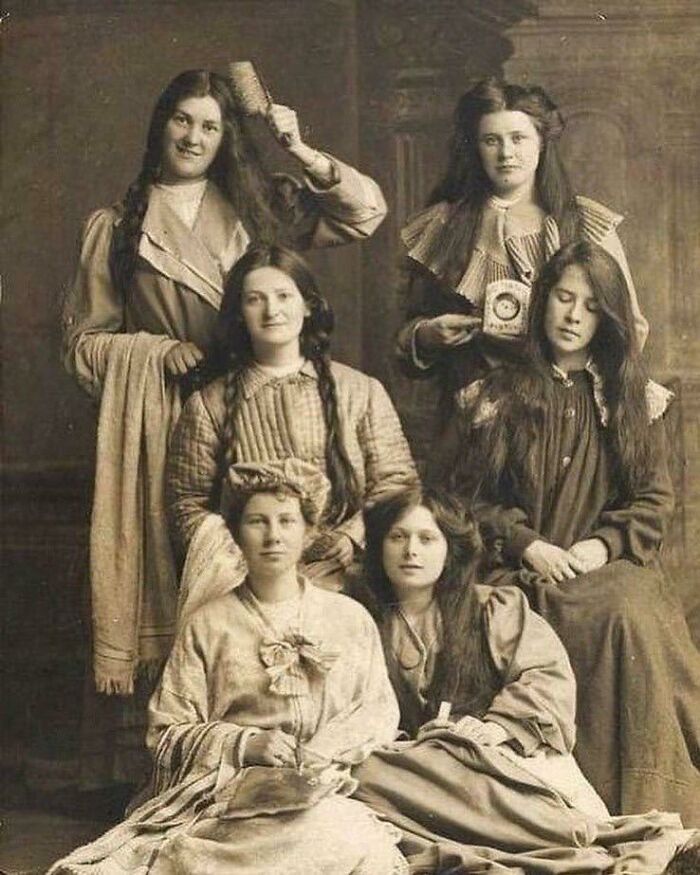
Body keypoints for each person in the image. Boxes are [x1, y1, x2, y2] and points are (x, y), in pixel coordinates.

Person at [62, 69, 387, 786]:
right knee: (174, 579)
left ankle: (284, 749)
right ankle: (166, 770)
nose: (194, 137)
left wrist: (299, 149)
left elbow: (365, 213)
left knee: (268, 575)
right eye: (182, 120)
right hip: (156, 423)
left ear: (225, 135)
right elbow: (84, 350)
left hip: (256, 415)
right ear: (160, 124)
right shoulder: (118, 227)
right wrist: (153, 353)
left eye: (210, 126)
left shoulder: (256, 210)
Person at [48, 460, 405, 874]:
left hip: (328, 786)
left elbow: (377, 710)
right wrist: (245, 743)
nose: (273, 536)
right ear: (235, 535)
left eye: (287, 521)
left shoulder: (349, 618)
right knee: (201, 855)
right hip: (232, 793)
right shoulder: (209, 623)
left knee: (348, 839)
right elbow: (166, 734)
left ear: (308, 532)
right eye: (257, 521)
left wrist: (324, 752)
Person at [448, 240, 700, 825]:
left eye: (590, 307)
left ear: (606, 318)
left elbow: (653, 500)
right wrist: (527, 543)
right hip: (515, 569)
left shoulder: (630, 399)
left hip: (598, 565)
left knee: (625, 607)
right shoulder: (498, 395)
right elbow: (463, 499)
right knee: (592, 612)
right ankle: (575, 809)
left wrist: (597, 547)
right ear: (542, 304)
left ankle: (649, 801)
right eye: (563, 298)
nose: (573, 316)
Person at [351, 486, 693, 873]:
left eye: (427, 538)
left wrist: (497, 727)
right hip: (414, 770)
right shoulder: (358, 620)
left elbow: (545, 675)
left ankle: (584, 839)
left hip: (501, 758)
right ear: (380, 547)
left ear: (451, 550)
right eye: (398, 537)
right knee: (366, 779)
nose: (411, 550)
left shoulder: (492, 607)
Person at [167, 244, 418, 607]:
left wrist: (352, 540)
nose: (272, 310)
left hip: (349, 581)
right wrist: (256, 562)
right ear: (239, 313)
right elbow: (187, 508)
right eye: (255, 299)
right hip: (247, 585)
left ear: (309, 305)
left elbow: (398, 486)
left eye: (284, 295)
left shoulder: (360, 391)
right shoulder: (208, 405)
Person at [395, 77, 648, 405]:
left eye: (518, 138)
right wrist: (427, 335)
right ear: (476, 147)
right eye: (491, 140)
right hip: (474, 415)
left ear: (541, 143)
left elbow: (631, 328)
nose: (506, 154)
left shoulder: (584, 223)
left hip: (568, 412)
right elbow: (406, 336)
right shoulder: (443, 225)